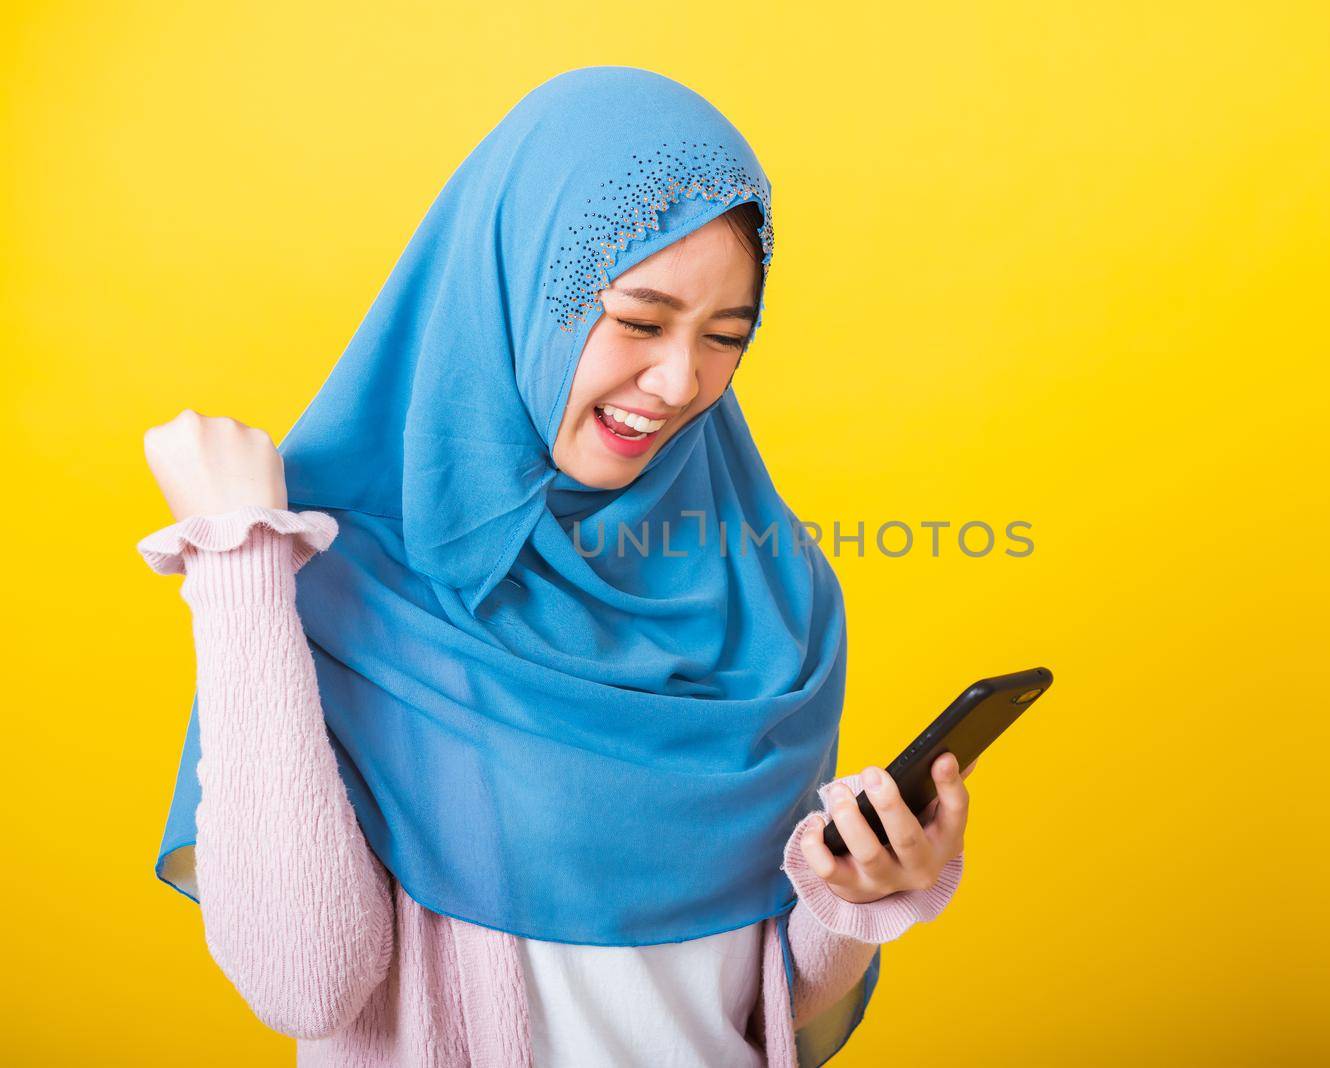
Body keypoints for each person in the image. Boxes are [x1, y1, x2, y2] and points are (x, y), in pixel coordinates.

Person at [136, 66, 973, 1068]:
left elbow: (757, 1009)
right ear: (521, 291)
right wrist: (236, 569)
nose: (676, 384)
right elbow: (304, 984)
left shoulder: (773, 596)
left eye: (725, 338)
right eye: (638, 319)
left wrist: (850, 902)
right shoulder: (324, 571)